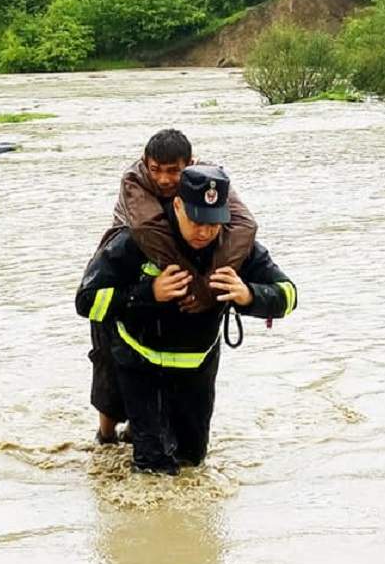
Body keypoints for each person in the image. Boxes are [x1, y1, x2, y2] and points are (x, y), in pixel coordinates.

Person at [76, 165, 296, 475]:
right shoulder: (136, 241)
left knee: (193, 463)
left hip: (197, 371)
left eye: (214, 223)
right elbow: (86, 301)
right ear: (177, 206)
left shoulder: (236, 248)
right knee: (153, 468)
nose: (205, 232)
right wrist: (148, 292)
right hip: (140, 366)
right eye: (196, 221)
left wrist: (249, 295)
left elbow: (288, 295)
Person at [91, 128, 257, 444]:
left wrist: (212, 283)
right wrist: (198, 288)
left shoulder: (207, 179)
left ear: (190, 163)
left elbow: (244, 225)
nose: (165, 180)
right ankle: (105, 436)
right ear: (145, 164)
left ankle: (150, 432)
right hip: (125, 270)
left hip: (181, 281)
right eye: (156, 170)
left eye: (173, 171)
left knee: (167, 373)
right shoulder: (135, 181)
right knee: (109, 367)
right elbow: (148, 229)